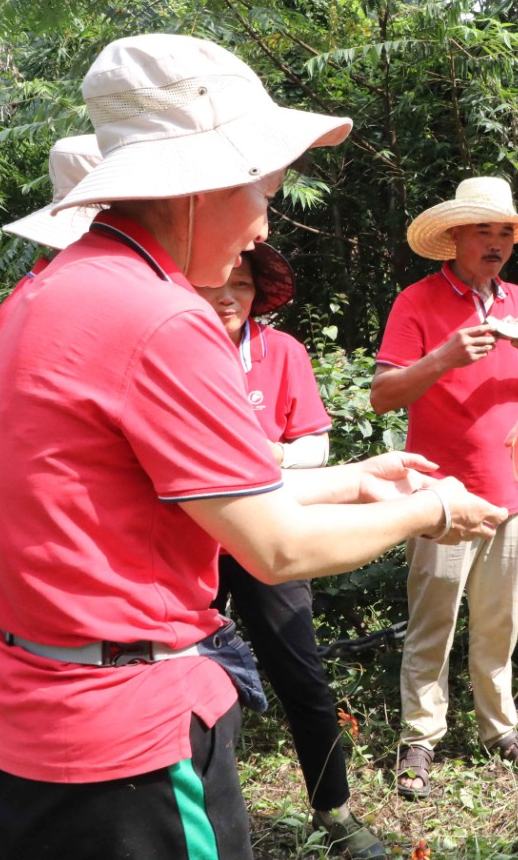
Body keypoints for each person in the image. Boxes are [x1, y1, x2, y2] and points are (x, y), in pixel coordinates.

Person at [0, 33, 506, 860]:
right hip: (124, 746)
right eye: (263, 192)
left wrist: (356, 479)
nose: (260, 229)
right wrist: (429, 508)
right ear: (200, 186)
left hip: (17, 717)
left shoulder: (45, 294)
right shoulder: (164, 319)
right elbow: (279, 549)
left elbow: (161, 493)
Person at [369, 176, 518, 799]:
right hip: (441, 496)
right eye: (484, 230)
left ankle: (499, 729)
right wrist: (442, 359)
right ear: (454, 236)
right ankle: (420, 738)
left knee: (499, 622)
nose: (497, 242)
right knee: (433, 622)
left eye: (505, 231)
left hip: (511, 491)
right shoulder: (417, 302)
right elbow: (382, 396)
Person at [196, 244, 385, 858]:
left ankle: (335, 810)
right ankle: (195, 813)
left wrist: (268, 453)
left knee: (300, 671)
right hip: (190, 539)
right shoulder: (175, 349)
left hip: (270, 529)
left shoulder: (281, 352)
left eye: (243, 285)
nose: (229, 296)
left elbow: (315, 446)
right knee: (183, 675)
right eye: (217, 281)